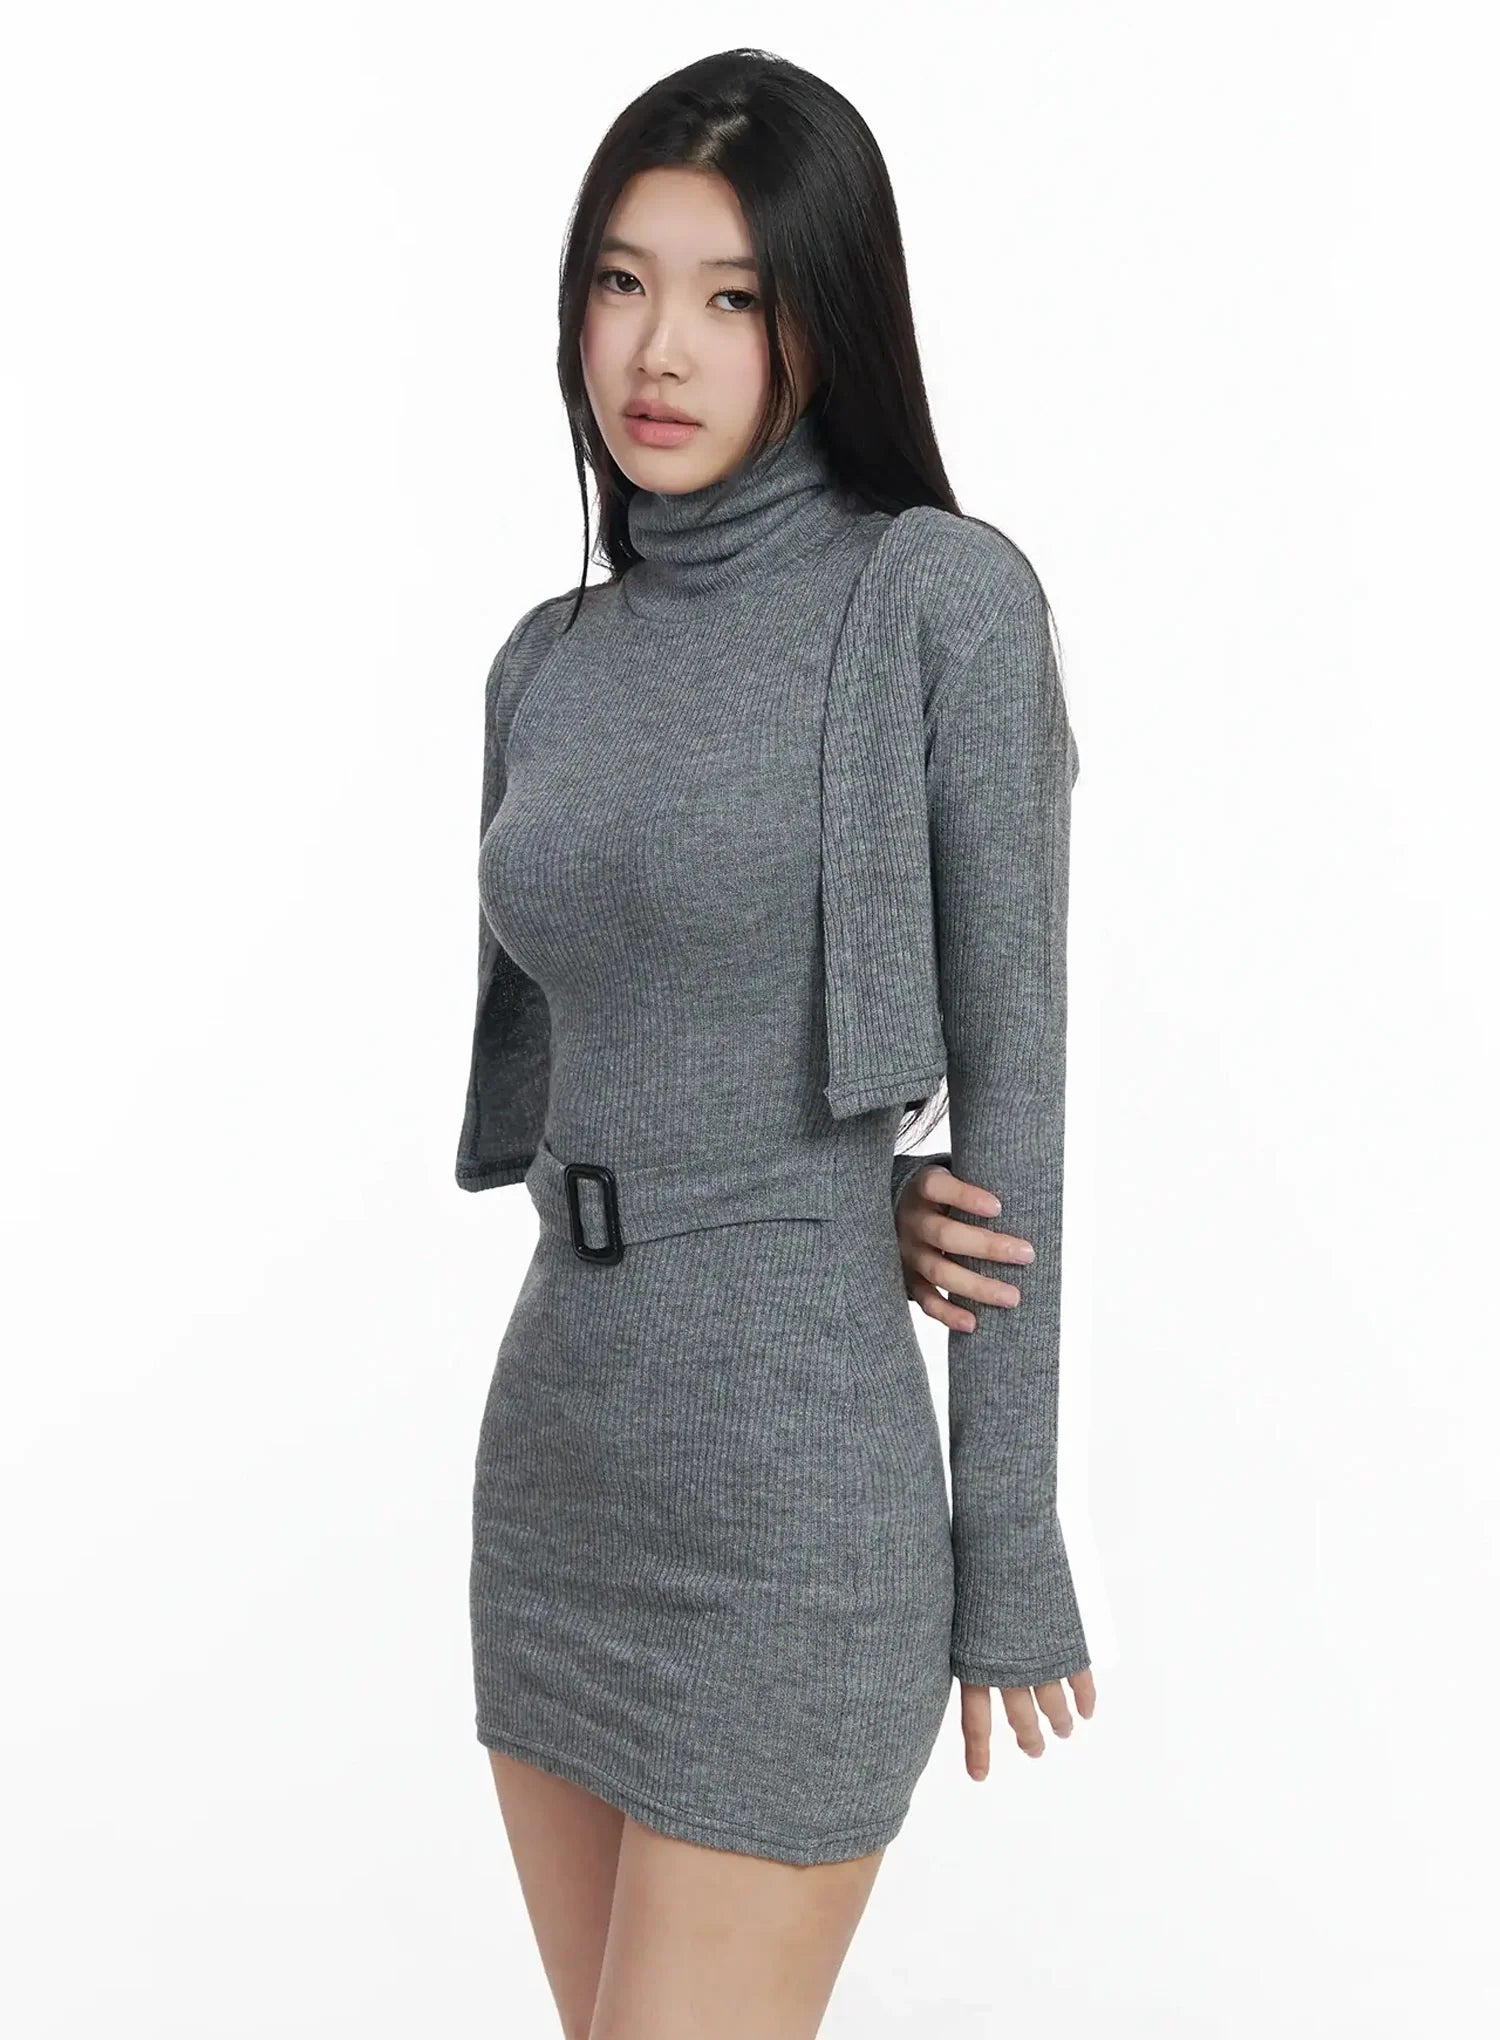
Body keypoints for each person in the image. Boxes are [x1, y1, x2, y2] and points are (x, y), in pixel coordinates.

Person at [454, 48, 1097, 2040]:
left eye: (731, 296)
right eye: (622, 281)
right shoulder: (548, 661)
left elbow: (1018, 1099)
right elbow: (610, 1070)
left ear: (825, 317)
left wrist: (1009, 1537)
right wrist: (828, 1185)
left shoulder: (936, 605)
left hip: (790, 1505)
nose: (661, 348)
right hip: (558, 1467)